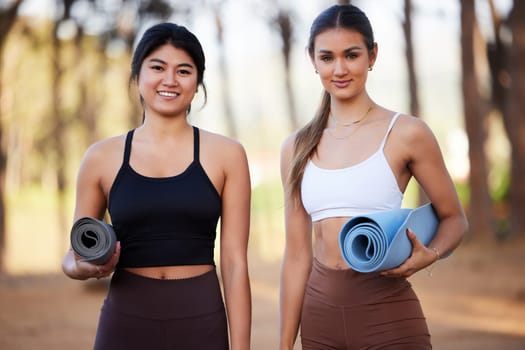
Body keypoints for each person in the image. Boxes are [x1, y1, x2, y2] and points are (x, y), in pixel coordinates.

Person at [279, 4, 468, 350]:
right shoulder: (296, 147)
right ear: (312, 60)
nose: (339, 69)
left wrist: (433, 253)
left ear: (372, 55)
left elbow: (454, 218)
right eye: (327, 57)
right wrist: (283, 344)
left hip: (388, 314)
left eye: (351, 55)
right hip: (319, 319)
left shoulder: (407, 133)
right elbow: (295, 257)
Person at [61, 22, 252, 350]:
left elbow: (235, 263)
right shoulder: (101, 157)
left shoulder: (227, 155)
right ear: (137, 76)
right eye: (158, 67)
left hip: (201, 319)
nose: (169, 80)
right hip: (125, 320)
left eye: (183, 70)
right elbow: (73, 256)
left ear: (197, 83)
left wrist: (242, 347)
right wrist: (85, 268)